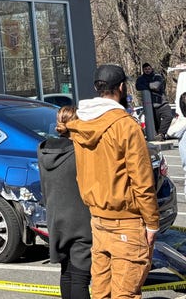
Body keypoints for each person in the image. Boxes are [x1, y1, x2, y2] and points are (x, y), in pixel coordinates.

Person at [66, 64, 159, 299]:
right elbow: (142, 180)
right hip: (126, 221)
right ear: (121, 87)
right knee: (124, 294)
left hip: (98, 220)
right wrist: (152, 223)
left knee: (101, 293)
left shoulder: (81, 124)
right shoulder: (125, 125)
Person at [38, 106, 92, 299]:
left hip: (55, 218)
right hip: (81, 219)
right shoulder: (80, 151)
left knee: (67, 272)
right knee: (80, 278)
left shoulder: (43, 150)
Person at [135, 62, 171, 140]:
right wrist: (149, 85)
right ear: (143, 70)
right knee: (155, 124)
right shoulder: (140, 78)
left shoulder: (157, 77)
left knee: (168, 116)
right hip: (151, 106)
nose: (147, 70)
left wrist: (145, 85)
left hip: (162, 103)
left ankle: (162, 133)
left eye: (149, 69)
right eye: (145, 69)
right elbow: (138, 86)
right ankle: (159, 136)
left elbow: (156, 86)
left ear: (152, 69)